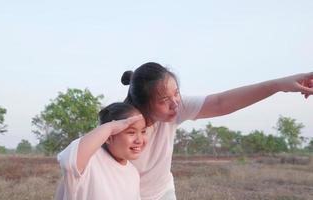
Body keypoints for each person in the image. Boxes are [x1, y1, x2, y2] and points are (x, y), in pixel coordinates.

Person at [121, 62, 313, 200]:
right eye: (164, 101)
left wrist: (279, 85)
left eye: (176, 93)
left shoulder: (177, 107)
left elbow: (221, 103)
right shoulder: (117, 127)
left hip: (163, 192)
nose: (174, 104)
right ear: (143, 104)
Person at [56, 102, 147, 200]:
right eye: (131, 132)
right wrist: (110, 127)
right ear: (108, 136)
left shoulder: (133, 173)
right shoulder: (90, 161)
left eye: (143, 131)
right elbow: (69, 163)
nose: (139, 140)